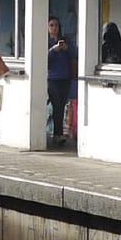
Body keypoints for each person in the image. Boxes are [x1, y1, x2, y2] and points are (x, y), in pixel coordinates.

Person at [47, 16, 77, 147]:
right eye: (51, 25)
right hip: (52, 77)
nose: (54, 28)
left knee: (62, 105)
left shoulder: (65, 40)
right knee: (56, 105)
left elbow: (74, 53)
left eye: (56, 26)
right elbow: (42, 57)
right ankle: (56, 134)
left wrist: (66, 49)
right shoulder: (46, 41)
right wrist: (54, 50)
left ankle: (58, 133)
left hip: (65, 77)